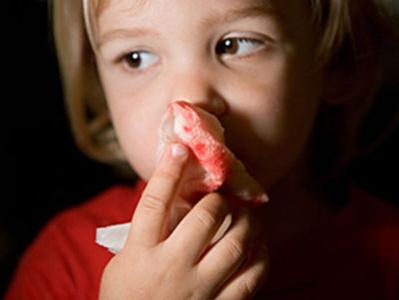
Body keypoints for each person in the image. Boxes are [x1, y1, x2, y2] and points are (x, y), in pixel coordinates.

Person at [5, 0, 399, 299]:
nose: (189, 99)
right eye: (136, 57)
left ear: (338, 61)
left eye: (235, 44)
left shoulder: (386, 258)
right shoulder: (64, 261)